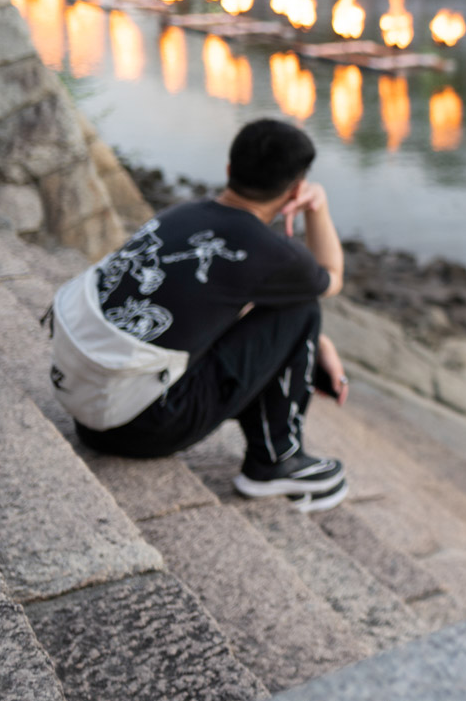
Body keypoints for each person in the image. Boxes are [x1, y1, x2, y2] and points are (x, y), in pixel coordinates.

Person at [62, 119, 353, 511]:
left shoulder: (179, 216)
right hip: (142, 428)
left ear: (230, 171)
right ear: (296, 189)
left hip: (85, 403)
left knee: (290, 309)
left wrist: (318, 341)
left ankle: (276, 453)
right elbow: (331, 276)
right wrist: (319, 207)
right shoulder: (271, 251)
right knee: (302, 306)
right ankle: (275, 460)